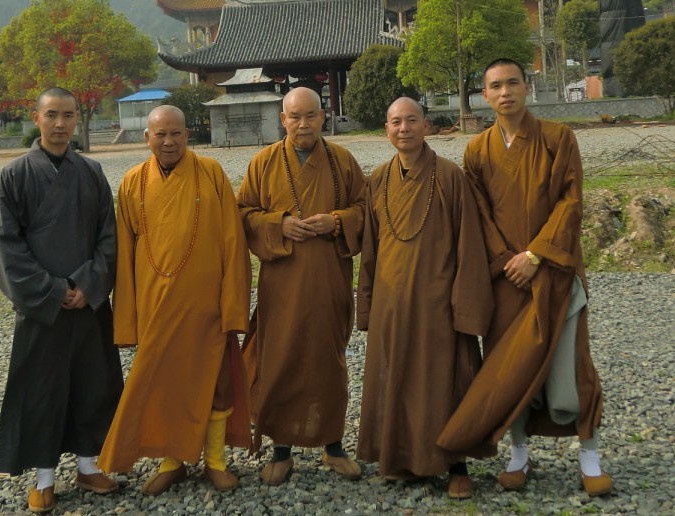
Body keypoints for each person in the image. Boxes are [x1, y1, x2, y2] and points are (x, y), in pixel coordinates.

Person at [437, 58, 613, 497]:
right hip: (506, 278)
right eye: (494, 86)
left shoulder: (558, 138)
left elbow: (570, 201)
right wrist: (506, 259)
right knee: (508, 370)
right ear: (485, 94)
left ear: (527, 86)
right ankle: (519, 454)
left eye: (512, 83)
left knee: (571, 369)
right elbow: (479, 214)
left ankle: (589, 456)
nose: (504, 92)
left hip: (553, 270)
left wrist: (535, 254)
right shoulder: (477, 150)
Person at [97, 105, 252, 495]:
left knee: (216, 382)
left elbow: (233, 243)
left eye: (176, 134)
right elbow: (125, 257)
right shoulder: (132, 182)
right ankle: (172, 461)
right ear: (147, 138)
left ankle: (215, 460)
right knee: (163, 384)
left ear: (188, 135)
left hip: (207, 305)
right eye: (160, 134)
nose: (169, 142)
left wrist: (233, 303)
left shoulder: (212, 174)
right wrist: (127, 320)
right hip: (155, 304)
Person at [355, 97, 494, 498]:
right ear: (386, 130)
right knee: (396, 380)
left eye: (411, 120)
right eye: (395, 122)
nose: (404, 129)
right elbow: (370, 250)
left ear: (426, 126)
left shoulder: (450, 177)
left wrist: (465, 307)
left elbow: (469, 246)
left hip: (438, 303)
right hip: (391, 304)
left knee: (446, 383)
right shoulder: (378, 179)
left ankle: (457, 465)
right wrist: (368, 305)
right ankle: (401, 458)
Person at [0, 87, 123, 513]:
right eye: (52, 114)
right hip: (41, 310)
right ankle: (44, 478)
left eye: (68, 115)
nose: (61, 123)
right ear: (37, 117)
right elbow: (7, 246)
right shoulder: (14, 175)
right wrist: (51, 290)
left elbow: (109, 236)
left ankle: (88, 467)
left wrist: (88, 285)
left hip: (87, 303)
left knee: (92, 385)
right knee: (42, 392)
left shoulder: (92, 172)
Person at [237, 87, 367, 485]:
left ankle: (333, 445)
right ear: (283, 120)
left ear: (323, 116)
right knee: (282, 358)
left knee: (329, 359)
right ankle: (281, 448)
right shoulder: (263, 163)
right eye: (294, 117)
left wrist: (339, 221)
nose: (303, 124)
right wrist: (278, 224)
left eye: (310, 115)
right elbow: (243, 213)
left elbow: (365, 209)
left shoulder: (343, 161)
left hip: (329, 280)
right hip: (283, 283)